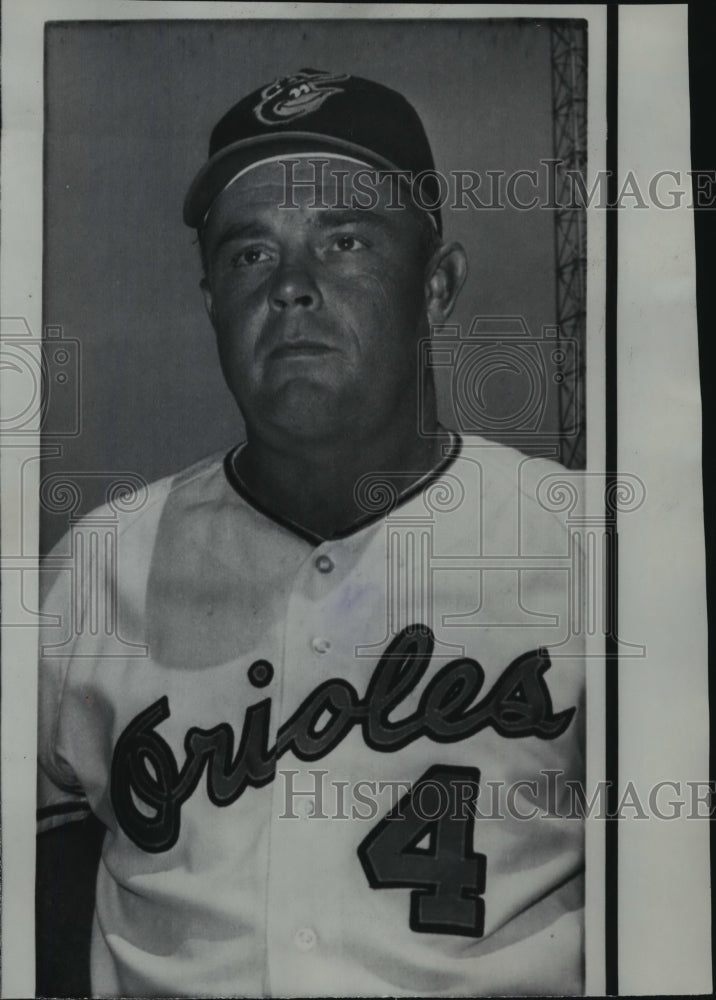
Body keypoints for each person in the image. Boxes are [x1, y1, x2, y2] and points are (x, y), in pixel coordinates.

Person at [37, 69, 585, 997]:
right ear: (212, 299)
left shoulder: (588, 547)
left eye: (345, 241)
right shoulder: (99, 564)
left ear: (438, 286)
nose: (293, 286)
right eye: (250, 255)